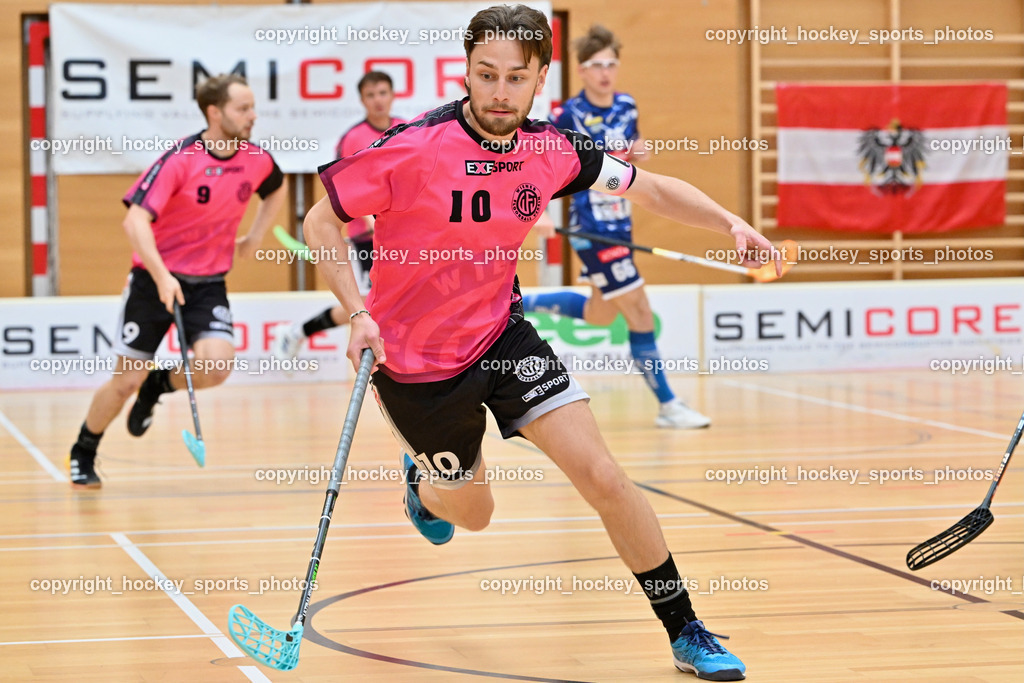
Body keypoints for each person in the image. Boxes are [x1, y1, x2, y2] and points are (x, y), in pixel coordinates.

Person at [304, 5, 779, 679]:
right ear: (465, 70)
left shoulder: (552, 149)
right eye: (485, 74)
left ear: (540, 79)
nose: (499, 92)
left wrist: (729, 221)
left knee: (605, 475)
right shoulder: (411, 147)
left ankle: (686, 629)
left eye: (515, 78)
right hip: (415, 365)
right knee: (472, 513)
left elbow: (651, 189)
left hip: (504, 336)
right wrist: (355, 310)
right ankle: (425, 486)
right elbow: (321, 217)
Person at [67, 74, 287, 488]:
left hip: (208, 284)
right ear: (214, 112)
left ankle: (158, 384)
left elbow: (276, 187)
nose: (253, 116)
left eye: (253, 107)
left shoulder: (256, 158)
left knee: (217, 366)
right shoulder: (180, 160)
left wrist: (255, 236)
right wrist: (162, 275)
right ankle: (84, 449)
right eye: (243, 108)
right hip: (154, 282)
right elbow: (134, 221)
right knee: (123, 382)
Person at [522, 25, 710, 430]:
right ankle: (668, 404)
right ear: (582, 70)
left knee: (600, 313)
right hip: (592, 228)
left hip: (621, 224)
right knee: (640, 311)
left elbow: (632, 147)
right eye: (596, 65)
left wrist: (638, 151)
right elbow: (545, 169)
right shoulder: (566, 115)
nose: (605, 72)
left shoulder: (627, 105)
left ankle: (526, 304)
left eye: (611, 63)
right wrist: (541, 214)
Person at [270, 72, 405, 360]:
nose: (378, 100)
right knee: (372, 304)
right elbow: (354, 187)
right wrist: (374, 222)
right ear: (362, 100)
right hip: (368, 236)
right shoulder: (353, 137)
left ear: (392, 95)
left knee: (386, 301)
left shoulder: (406, 129)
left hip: (402, 232)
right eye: (371, 95)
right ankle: (300, 331)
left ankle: (298, 331)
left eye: (382, 93)